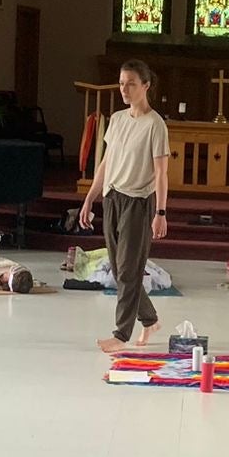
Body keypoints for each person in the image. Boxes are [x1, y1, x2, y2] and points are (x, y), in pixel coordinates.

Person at [77, 59, 169, 353]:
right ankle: (150, 320)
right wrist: (90, 197)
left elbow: (161, 173)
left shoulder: (155, 125)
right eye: (121, 83)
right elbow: (106, 163)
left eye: (131, 84)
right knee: (119, 271)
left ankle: (121, 334)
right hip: (112, 198)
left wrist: (160, 212)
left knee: (129, 270)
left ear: (146, 86)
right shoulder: (116, 120)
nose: (124, 89)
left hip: (138, 202)